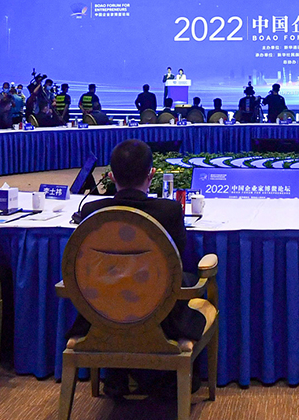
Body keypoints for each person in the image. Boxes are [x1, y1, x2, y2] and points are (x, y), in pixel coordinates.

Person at [67, 139, 204, 398]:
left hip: (103, 312)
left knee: (114, 286)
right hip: (158, 314)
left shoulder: (92, 211)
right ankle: (167, 382)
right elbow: (176, 259)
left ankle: (117, 377)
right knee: (183, 280)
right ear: (151, 175)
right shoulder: (169, 210)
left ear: (110, 176)